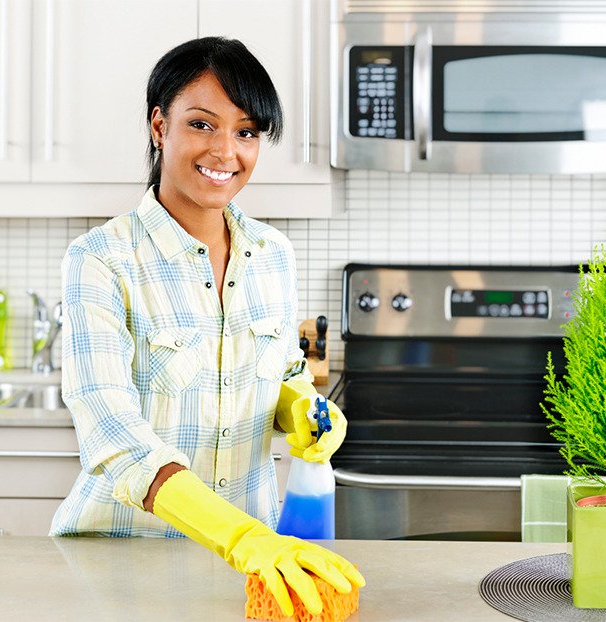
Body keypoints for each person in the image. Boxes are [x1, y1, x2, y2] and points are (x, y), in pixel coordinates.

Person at [50, 37, 362, 618]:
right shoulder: (101, 259)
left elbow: (286, 373)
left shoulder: (273, 254)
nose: (226, 151)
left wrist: (300, 411)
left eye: (246, 132)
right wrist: (239, 537)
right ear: (159, 126)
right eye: (202, 124)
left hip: (256, 571)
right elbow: (114, 434)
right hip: (122, 562)